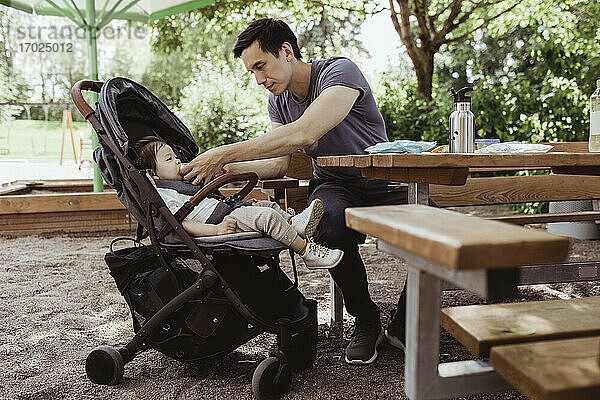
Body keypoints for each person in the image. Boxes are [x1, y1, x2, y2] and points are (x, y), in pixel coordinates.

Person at [180, 18, 410, 365]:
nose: (258, 79)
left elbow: (304, 133)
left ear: (286, 51)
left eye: (261, 66)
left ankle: (406, 322)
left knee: (437, 229)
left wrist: (225, 152)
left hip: (383, 180)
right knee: (327, 225)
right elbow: (277, 165)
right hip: (335, 184)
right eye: (251, 72)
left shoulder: (340, 73)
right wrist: (223, 169)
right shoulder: (279, 102)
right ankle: (366, 320)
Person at [133, 136, 344, 270]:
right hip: (220, 222)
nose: (178, 160)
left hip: (228, 211)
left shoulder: (184, 183)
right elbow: (180, 223)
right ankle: (307, 252)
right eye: (169, 159)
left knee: (265, 206)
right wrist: (215, 230)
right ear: (153, 174)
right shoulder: (164, 194)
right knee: (267, 217)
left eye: (175, 156)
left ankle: (294, 222)